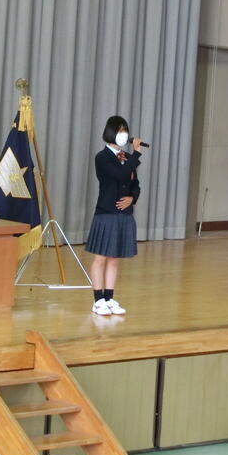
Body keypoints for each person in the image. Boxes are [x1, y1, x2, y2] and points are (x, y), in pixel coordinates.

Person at [85, 116, 142, 316]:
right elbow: (120, 174)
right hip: (107, 212)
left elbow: (135, 184)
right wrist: (136, 154)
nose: (123, 134)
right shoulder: (102, 157)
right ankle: (98, 300)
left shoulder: (127, 157)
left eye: (125, 130)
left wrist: (131, 198)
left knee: (114, 258)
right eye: (119, 130)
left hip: (124, 213)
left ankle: (109, 298)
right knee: (101, 257)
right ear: (111, 133)